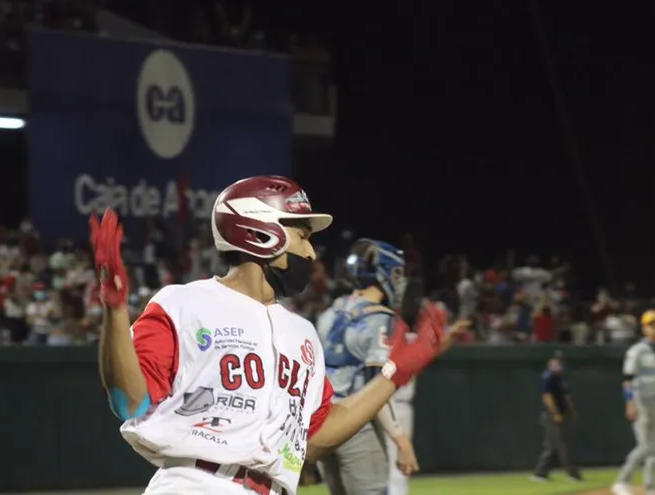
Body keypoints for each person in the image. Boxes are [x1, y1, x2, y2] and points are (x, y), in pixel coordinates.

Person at [92, 175, 449, 495]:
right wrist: (115, 310)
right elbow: (129, 402)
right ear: (261, 232)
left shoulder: (302, 333)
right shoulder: (183, 303)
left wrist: (393, 374)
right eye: (303, 236)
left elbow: (313, 437)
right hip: (196, 484)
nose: (310, 251)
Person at [314, 238, 419, 495]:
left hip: (323, 423)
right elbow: (376, 388)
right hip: (356, 425)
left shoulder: (331, 313)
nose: (399, 279)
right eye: (396, 272)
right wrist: (400, 439)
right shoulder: (381, 319)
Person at [611, 310, 655, 495]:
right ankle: (622, 481)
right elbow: (627, 379)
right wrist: (630, 403)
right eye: (651, 325)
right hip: (641, 399)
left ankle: (650, 487)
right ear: (644, 329)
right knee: (645, 446)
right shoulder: (636, 351)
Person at [531, 351, 582, 482]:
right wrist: (555, 413)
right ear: (550, 363)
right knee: (562, 445)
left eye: (560, 362)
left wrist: (572, 411)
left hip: (561, 413)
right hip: (552, 415)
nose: (559, 364)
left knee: (552, 446)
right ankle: (573, 474)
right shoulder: (548, 377)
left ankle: (540, 473)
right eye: (556, 362)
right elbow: (547, 397)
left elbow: (566, 396)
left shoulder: (560, 378)